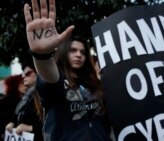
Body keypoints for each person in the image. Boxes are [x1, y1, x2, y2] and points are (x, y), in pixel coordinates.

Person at [23, 0, 112, 140]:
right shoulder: (57, 80)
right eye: (73, 50)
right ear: (64, 52)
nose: (79, 55)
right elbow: (50, 77)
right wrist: (43, 55)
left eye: (83, 52)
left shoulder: (94, 84)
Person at [5, 60, 44, 141]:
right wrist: (12, 123)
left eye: (27, 73)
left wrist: (30, 128)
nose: (23, 76)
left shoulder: (45, 95)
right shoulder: (27, 96)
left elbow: (54, 123)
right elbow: (19, 117)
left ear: (38, 72)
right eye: (23, 73)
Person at [0, 74, 27, 140]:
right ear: (15, 85)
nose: (25, 85)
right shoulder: (5, 101)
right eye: (21, 83)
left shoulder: (27, 100)